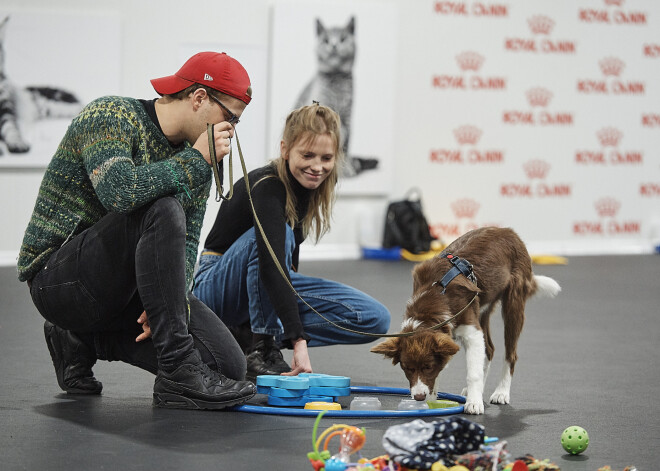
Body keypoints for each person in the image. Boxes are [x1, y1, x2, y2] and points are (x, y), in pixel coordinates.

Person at [17, 51, 257, 409]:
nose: (230, 131)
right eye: (230, 118)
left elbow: (187, 242)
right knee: (163, 208)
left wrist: (171, 302)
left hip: (126, 287)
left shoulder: (198, 158)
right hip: (59, 280)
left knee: (228, 365)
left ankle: (82, 340)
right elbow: (120, 191)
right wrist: (195, 159)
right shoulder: (111, 115)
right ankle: (177, 373)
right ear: (199, 98)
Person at [193, 103, 391, 381]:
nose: (317, 167)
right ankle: (261, 348)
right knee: (271, 241)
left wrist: (287, 319)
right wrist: (297, 339)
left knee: (373, 317)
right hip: (213, 291)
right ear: (285, 150)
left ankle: (249, 335)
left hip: (259, 284)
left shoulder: (310, 189)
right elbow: (272, 263)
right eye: (307, 155)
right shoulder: (268, 185)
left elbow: (284, 268)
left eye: (326, 158)